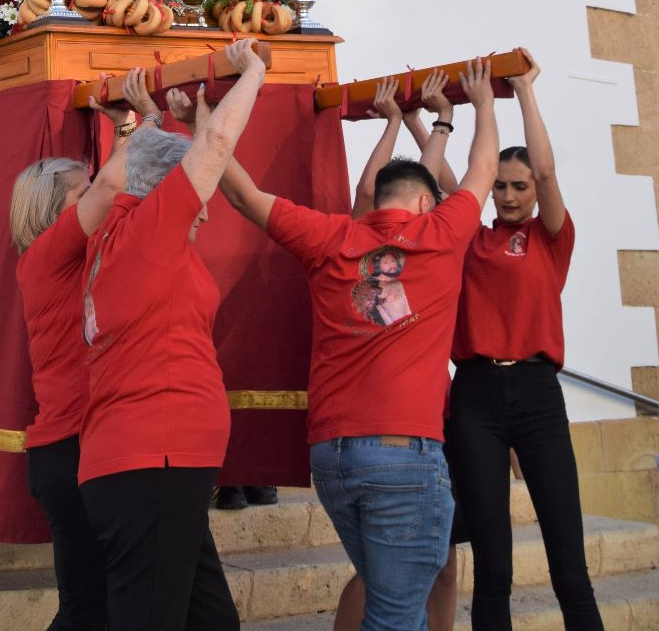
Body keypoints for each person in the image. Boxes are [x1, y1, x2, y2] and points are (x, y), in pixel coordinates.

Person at [211, 59, 498, 631]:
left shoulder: (331, 236)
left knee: (385, 595)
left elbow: (243, 196)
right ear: (423, 204)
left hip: (333, 456)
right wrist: (485, 103)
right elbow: (484, 169)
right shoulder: (440, 236)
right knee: (395, 616)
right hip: (403, 454)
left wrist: (206, 129)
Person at [77, 37, 267, 631]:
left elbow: (146, 164)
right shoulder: (148, 239)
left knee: (213, 622)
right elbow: (211, 149)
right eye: (196, 193)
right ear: (165, 193)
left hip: (153, 463)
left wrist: (152, 120)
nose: (205, 206)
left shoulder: (119, 233)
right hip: (151, 459)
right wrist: (253, 72)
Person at [446, 51, 603, 631]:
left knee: (569, 562)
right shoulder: (472, 238)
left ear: (533, 191)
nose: (508, 196)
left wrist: (525, 90)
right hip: (476, 397)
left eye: (519, 187)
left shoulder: (550, 237)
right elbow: (459, 177)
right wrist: (427, 119)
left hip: (538, 395)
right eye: (501, 187)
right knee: (493, 567)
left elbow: (548, 169)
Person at [11, 75, 162, 630]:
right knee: (85, 610)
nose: (97, 190)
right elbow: (111, 190)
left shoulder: (75, 254)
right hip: (68, 449)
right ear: (55, 208)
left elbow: (122, 188)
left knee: (101, 606)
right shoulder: (48, 256)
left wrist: (133, 125)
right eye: (81, 190)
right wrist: (144, 117)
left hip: (87, 446)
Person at [332, 73, 464, 631]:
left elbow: (429, 193)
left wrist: (419, 123)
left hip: (441, 412)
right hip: (400, 431)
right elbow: (374, 197)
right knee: (385, 580)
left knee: (440, 565)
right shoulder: (380, 246)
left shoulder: (448, 237)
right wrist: (419, 122)